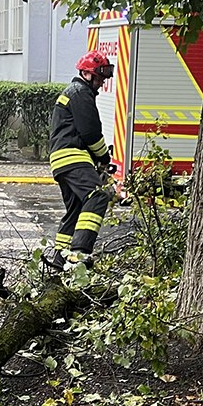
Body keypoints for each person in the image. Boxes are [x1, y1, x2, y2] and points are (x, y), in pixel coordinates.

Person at [47, 50, 117, 268]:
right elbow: (91, 133)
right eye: (98, 78)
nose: (101, 83)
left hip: (61, 160)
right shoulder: (80, 93)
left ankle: (59, 259)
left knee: (76, 209)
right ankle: (79, 253)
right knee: (97, 196)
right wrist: (104, 157)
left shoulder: (74, 92)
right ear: (86, 74)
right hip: (73, 156)